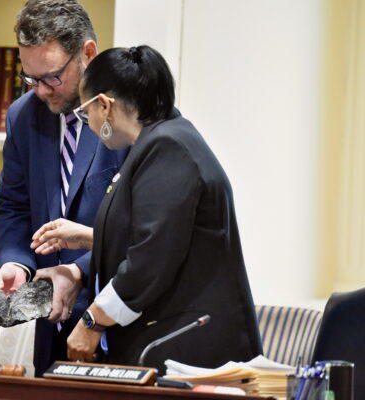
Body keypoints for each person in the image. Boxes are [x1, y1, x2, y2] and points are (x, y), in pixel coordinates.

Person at [31, 45, 263, 371]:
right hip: (175, 342)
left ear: (104, 106)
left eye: (86, 113)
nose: (90, 123)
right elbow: (159, 235)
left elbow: (152, 255)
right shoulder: (159, 142)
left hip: (195, 352)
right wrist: (90, 238)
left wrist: (93, 320)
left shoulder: (167, 147)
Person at [0, 0, 127, 375]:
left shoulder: (128, 114)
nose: (40, 91)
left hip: (113, 318)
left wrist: (76, 270)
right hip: (44, 320)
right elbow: (12, 208)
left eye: (51, 77)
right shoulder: (23, 115)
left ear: (88, 54)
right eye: (30, 78)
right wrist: (17, 262)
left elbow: (141, 228)